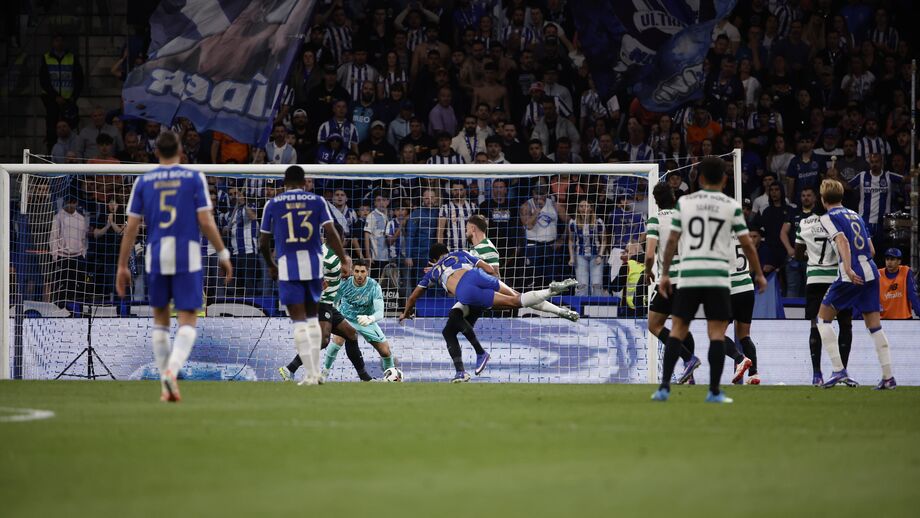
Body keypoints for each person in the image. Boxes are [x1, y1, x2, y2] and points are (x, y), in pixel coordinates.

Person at [116, 131, 232, 402]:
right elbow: (205, 220)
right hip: (187, 254)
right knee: (188, 319)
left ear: (156, 152)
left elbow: (131, 227)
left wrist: (122, 264)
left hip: (156, 255)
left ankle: (164, 374)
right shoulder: (194, 177)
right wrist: (223, 252)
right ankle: (172, 370)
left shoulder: (143, 181)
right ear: (181, 152)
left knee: (160, 320)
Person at [653, 157, 767, 404]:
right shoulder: (730, 206)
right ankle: (714, 391)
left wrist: (663, 275)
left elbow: (672, 240)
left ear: (700, 179)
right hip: (716, 277)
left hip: (690, 274)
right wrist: (758, 273)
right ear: (725, 179)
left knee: (678, 330)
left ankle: (663, 388)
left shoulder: (685, 203)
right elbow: (747, 243)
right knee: (716, 333)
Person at [400, 243, 577, 381]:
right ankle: (553, 297)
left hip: (466, 292)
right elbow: (490, 269)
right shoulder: (460, 253)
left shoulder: (432, 272)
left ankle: (477, 357)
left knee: (508, 304)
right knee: (517, 298)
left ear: (433, 259)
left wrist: (405, 313)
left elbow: (412, 298)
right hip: (479, 275)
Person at [259, 165, 351, 386]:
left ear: (284, 183)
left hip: (288, 266)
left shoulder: (272, 203)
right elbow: (330, 232)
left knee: (299, 321)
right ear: (304, 183)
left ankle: (311, 373)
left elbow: (263, 241)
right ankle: (314, 373)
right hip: (312, 265)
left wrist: (271, 265)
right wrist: (344, 258)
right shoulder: (317, 201)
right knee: (312, 318)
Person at [815, 179, 896, 390]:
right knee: (874, 325)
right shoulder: (856, 215)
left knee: (822, 320)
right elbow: (871, 249)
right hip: (871, 270)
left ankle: (838, 369)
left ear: (823, 200)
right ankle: (888, 377)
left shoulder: (827, 217)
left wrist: (849, 269)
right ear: (841, 197)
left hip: (851, 273)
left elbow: (841, 240)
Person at [279, 241, 372, 382]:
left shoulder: (334, 255)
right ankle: (290, 369)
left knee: (351, 334)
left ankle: (365, 378)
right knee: (323, 340)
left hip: (329, 305)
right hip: (320, 303)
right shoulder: (324, 254)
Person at [644, 184, 700, 385]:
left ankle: (688, 359)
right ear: (674, 196)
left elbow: (650, 254)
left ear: (656, 200)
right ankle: (689, 376)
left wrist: (647, 270)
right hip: (689, 280)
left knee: (654, 325)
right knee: (682, 328)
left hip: (669, 280)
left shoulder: (655, 220)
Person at [795, 200, 853, 386]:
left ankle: (816, 375)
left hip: (814, 280)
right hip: (838, 278)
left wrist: (810, 255)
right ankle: (842, 371)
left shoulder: (804, 224)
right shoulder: (839, 222)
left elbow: (797, 254)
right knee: (845, 324)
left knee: (815, 325)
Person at [321, 260, 396, 378]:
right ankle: (324, 372)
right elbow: (333, 302)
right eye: (356, 271)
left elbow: (380, 312)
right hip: (346, 319)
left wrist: (370, 318)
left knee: (385, 351)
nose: (359, 275)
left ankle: (392, 376)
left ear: (367, 272)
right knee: (337, 341)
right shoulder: (344, 283)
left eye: (362, 271)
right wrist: (334, 317)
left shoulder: (374, 286)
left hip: (366, 320)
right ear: (352, 271)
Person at [49, 194, 88, 305]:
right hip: (63, 256)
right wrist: (55, 255)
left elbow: (84, 238)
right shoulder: (58, 217)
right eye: (69, 203)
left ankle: (77, 310)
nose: (71, 205)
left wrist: (83, 253)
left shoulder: (81, 218)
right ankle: (60, 308)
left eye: (73, 203)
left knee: (78, 286)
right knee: (62, 286)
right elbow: (54, 236)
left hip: (77, 257)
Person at [567, 199, 606, 296]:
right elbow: (571, 240)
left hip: (596, 255)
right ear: (578, 208)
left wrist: (600, 255)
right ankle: (580, 309)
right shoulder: (573, 223)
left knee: (596, 284)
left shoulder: (598, 222)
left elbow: (604, 240)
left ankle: (597, 308)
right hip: (580, 256)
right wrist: (572, 257)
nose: (584, 209)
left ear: (591, 208)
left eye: (587, 206)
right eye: (581, 206)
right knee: (582, 285)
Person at [878, 248, 920, 320]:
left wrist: (919, 312)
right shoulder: (878, 274)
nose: (889, 262)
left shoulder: (906, 271)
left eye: (892, 259)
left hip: (904, 319)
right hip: (884, 320)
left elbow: (913, 294)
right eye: (887, 259)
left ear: (899, 261)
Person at [438, 180, 478, 251]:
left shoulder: (473, 207)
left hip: (469, 250)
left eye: (461, 190)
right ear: (451, 191)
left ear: (465, 191)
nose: (458, 192)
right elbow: (440, 232)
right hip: (451, 250)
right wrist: (439, 251)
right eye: (455, 190)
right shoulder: (445, 208)